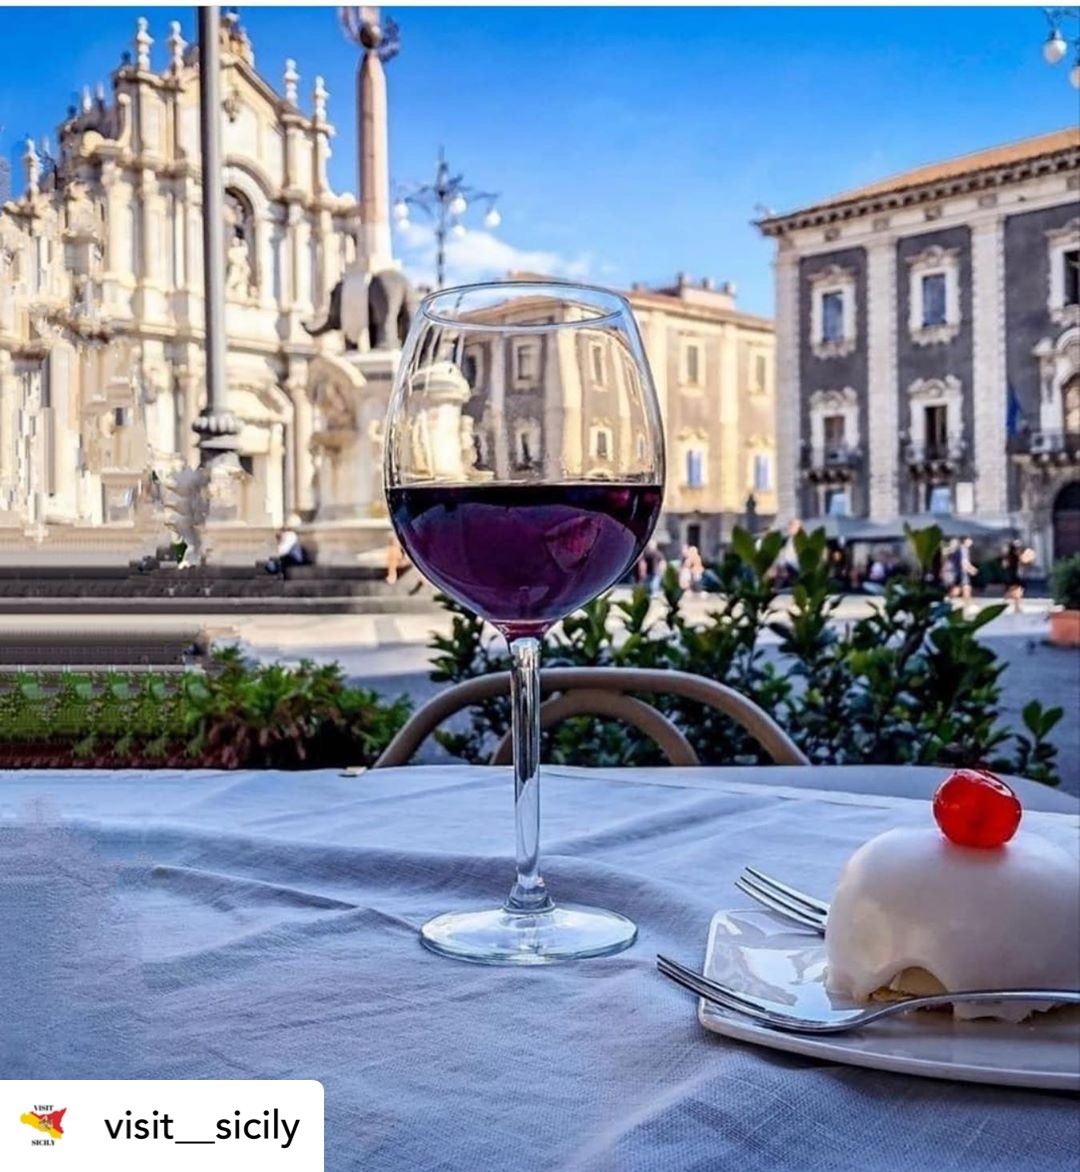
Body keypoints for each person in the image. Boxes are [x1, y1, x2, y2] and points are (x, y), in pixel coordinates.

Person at [1003, 540, 1036, 612]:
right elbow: (1024, 561)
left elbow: (1005, 566)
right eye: (1017, 548)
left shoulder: (1008, 556)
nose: (1019, 549)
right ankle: (1016, 607)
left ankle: (1008, 604)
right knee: (1017, 592)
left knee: (1013, 591)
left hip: (1010, 575)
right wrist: (1031, 557)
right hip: (1014, 575)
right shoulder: (1015, 555)